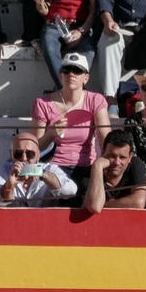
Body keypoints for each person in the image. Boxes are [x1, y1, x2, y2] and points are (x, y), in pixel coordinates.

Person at [30, 51, 108, 189]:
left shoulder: (95, 100)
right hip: (53, 167)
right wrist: (51, 134)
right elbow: (35, 149)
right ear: (61, 76)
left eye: (77, 71)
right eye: (66, 70)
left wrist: (103, 167)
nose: (71, 74)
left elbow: (105, 140)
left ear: (86, 78)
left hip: (85, 167)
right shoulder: (43, 103)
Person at [0, 130, 75, 206]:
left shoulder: (50, 169)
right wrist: (9, 186)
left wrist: (43, 174)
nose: (24, 158)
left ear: (38, 155)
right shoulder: (4, 169)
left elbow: (71, 191)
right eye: (18, 153)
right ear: (11, 154)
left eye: (30, 154)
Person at [84, 126, 146, 211]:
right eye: (112, 156)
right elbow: (95, 206)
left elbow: (138, 202)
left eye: (122, 157)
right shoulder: (90, 172)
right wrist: (97, 167)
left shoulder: (135, 165)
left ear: (130, 157)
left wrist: (104, 205)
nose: (117, 162)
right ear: (102, 152)